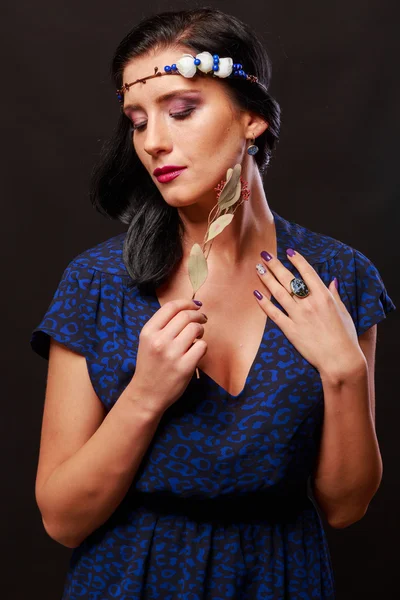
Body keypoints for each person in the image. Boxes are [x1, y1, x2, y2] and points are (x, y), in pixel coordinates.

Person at [30, 7, 396, 599]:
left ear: (251, 117)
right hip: (133, 581)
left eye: (181, 111)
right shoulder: (99, 282)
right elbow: (62, 519)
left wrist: (345, 372)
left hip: (281, 580)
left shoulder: (337, 278)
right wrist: (145, 395)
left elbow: (346, 507)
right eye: (137, 120)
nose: (153, 141)